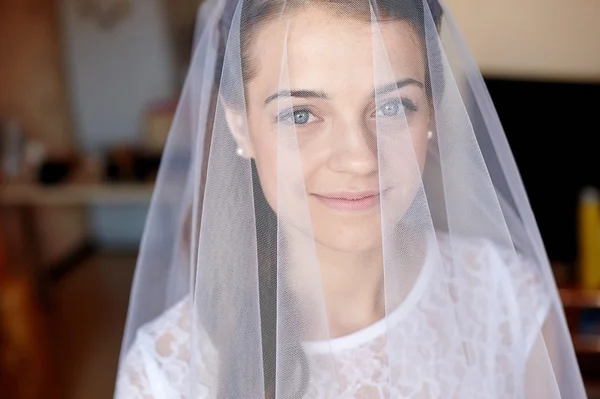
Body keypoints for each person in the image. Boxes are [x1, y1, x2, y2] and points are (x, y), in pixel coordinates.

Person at [114, 0, 587, 397]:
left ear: (430, 115)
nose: (360, 158)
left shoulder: (507, 301)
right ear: (240, 126)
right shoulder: (166, 376)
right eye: (301, 115)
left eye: (392, 106)